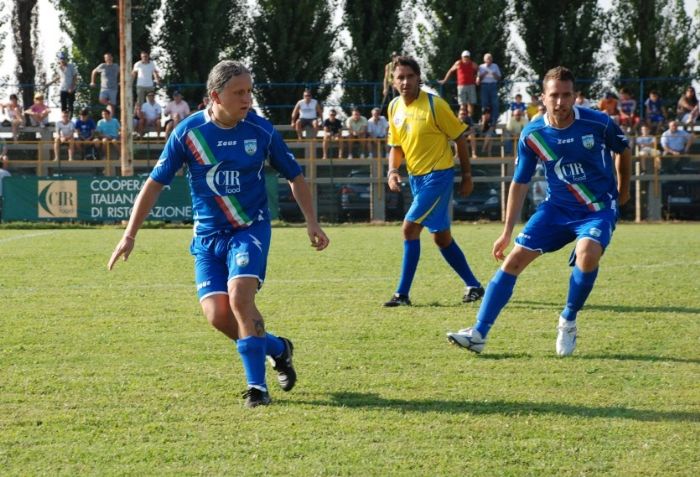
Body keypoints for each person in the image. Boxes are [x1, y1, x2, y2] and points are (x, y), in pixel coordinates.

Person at [107, 60, 329, 408]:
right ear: (215, 96)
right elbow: (154, 184)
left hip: (249, 229)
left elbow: (295, 176)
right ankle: (277, 348)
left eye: (249, 91)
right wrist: (130, 234)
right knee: (218, 315)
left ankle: (257, 388)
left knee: (241, 299)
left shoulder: (261, 130)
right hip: (208, 238)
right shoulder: (187, 133)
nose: (247, 99)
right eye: (239, 93)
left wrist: (312, 222)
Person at [447, 66, 632, 357]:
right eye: (554, 95)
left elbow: (623, 149)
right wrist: (507, 231)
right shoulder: (533, 133)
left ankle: (568, 320)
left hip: (596, 209)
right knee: (513, 261)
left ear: (575, 96)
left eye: (566, 95)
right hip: (556, 209)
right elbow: (519, 183)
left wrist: (623, 192)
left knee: (587, 253)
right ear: (542, 98)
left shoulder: (599, 123)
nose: (560, 102)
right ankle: (479, 333)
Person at [383, 56, 483, 307]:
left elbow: (460, 137)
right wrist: (393, 171)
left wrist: (467, 176)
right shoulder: (395, 107)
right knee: (441, 237)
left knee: (409, 228)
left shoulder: (435, 105)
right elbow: (395, 145)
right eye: (400, 77)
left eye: (410, 76)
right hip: (416, 178)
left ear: (419, 78)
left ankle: (402, 294)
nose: (405, 81)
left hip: (439, 176)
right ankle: (474, 285)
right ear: (393, 82)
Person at [438, 50, 478, 118]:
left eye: (467, 57)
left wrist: (478, 77)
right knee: (462, 104)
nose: (466, 58)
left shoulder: (472, 64)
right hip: (461, 86)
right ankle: (461, 120)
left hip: (471, 85)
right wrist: (445, 80)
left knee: (471, 104)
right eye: (465, 57)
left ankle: (470, 120)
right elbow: (451, 70)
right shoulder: (458, 63)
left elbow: (479, 70)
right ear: (462, 57)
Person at [49, 52, 79, 116]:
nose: (62, 60)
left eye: (63, 58)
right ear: (59, 60)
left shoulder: (71, 66)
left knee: (71, 105)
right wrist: (50, 83)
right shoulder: (58, 67)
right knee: (63, 105)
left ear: (66, 59)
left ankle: (69, 119)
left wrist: (72, 87)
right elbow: (59, 76)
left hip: (71, 89)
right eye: (61, 58)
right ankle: (64, 119)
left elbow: (75, 77)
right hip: (62, 89)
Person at [476, 53, 502, 121]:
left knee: (495, 104)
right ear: (484, 59)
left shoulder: (495, 66)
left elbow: (499, 78)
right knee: (485, 104)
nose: (489, 60)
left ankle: (494, 121)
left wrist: (494, 74)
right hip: (484, 86)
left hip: (493, 85)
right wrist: (483, 74)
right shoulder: (481, 67)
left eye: (490, 58)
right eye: (487, 58)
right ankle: (485, 121)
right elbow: (478, 80)